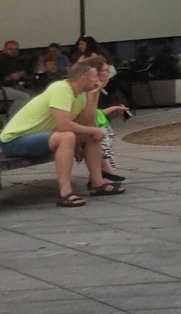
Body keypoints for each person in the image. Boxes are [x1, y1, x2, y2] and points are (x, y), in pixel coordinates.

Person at [0, 60, 126, 206]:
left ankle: (97, 183)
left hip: (42, 137)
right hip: (15, 140)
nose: (98, 80)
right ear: (82, 78)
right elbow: (63, 124)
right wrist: (88, 132)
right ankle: (65, 193)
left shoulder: (80, 93)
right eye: (94, 77)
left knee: (91, 135)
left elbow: (88, 123)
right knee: (67, 136)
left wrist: (94, 94)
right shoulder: (61, 89)